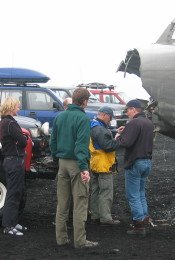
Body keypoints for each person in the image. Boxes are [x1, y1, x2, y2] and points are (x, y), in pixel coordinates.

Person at [50, 87, 99, 248]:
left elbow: (53, 141)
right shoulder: (83, 119)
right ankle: (80, 241)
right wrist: (84, 168)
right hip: (77, 164)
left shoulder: (60, 116)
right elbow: (81, 146)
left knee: (62, 203)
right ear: (84, 101)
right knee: (80, 203)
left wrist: (57, 156)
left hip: (62, 163)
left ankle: (61, 239)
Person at [116, 99, 154, 236]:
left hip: (135, 162)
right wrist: (126, 130)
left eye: (127, 110)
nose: (127, 113)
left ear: (133, 109)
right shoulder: (148, 123)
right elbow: (140, 136)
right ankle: (145, 219)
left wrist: (118, 136)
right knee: (141, 193)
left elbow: (126, 142)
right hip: (147, 162)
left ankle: (139, 225)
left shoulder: (134, 122)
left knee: (132, 195)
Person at [0, 96, 28, 237]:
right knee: (14, 193)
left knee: (17, 192)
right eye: (17, 106)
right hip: (14, 161)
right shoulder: (10, 123)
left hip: (11, 160)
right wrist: (25, 139)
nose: (19, 108)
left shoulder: (5, 122)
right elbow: (23, 141)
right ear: (11, 107)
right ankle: (8, 226)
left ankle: (13, 222)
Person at [88, 106, 120, 226]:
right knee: (106, 192)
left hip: (95, 163)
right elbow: (107, 146)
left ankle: (95, 215)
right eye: (110, 117)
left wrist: (115, 132)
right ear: (105, 115)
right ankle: (106, 218)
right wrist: (118, 140)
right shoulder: (100, 129)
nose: (110, 120)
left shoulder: (94, 125)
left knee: (96, 190)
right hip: (104, 164)